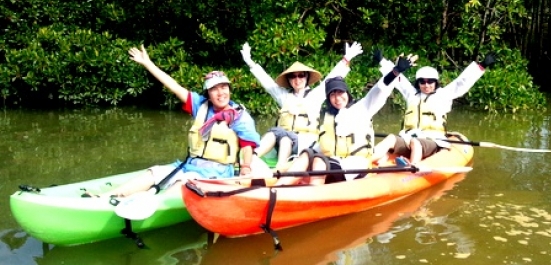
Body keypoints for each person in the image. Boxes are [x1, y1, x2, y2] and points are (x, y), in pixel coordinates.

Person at [83, 45, 260, 197]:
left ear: (229, 89)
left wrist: (245, 167)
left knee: (181, 185)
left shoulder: (239, 115)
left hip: (217, 172)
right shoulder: (200, 105)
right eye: (214, 89)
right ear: (208, 93)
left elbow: (247, 146)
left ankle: (153, 204)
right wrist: (148, 63)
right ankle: (106, 197)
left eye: (224, 87)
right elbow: (173, 86)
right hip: (188, 165)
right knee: (153, 173)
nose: (221, 93)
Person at [274, 54, 418, 186]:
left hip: (355, 166)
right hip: (336, 164)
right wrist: (302, 158)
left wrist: (395, 71)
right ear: (329, 99)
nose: (337, 98)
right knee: (308, 154)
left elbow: (380, 90)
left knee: (319, 160)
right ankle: (279, 186)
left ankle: (313, 193)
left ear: (347, 94)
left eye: (340, 92)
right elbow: (324, 145)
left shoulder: (362, 108)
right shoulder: (330, 117)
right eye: (332, 95)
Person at [240, 41, 363, 171]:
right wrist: (250, 62)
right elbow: (266, 81)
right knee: (277, 133)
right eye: (293, 77)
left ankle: (279, 169)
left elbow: (332, 77)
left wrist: (346, 59)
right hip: (280, 141)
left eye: (301, 76)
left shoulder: (315, 96)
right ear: (289, 80)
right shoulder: (284, 97)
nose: (297, 80)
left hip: (305, 142)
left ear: (307, 77)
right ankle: (251, 160)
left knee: (284, 136)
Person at [374, 52, 496, 165]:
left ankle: (412, 168)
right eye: (422, 82)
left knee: (415, 143)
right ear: (418, 83)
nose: (426, 85)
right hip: (408, 137)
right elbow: (399, 80)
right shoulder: (412, 95)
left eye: (430, 81)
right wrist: (382, 61)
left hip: (433, 140)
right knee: (390, 138)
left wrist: (482, 65)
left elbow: (461, 82)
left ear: (436, 82)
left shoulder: (443, 95)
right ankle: (367, 160)